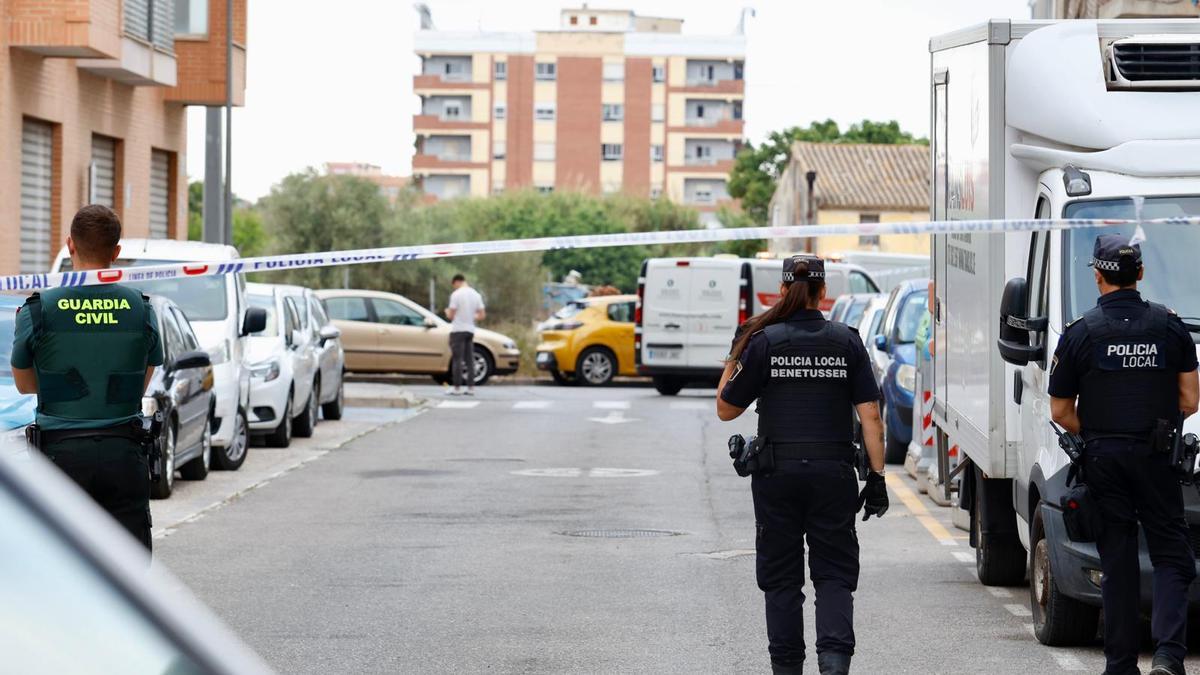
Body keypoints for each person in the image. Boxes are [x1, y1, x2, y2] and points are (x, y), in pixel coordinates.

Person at [717, 254, 888, 675]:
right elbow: (871, 416)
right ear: (823, 292)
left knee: (781, 579)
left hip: (777, 476)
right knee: (834, 576)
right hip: (833, 476)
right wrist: (879, 478)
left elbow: (725, 408)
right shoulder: (846, 341)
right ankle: (833, 667)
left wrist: (738, 349)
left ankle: (787, 669)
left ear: (782, 289)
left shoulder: (764, 341)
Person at [1049, 234, 1199, 675]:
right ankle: (1169, 658)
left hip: (1102, 459)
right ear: (1140, 275)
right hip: (1155, 456)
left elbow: (1060, 410)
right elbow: (1190, 399)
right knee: (1172, 554)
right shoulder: (1169, 327)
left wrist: (1096, 433)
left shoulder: (1080, 333)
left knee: (1117, 560)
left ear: (1097, 276)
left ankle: (1120, 665)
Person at [11, 205, 163, 551]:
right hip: (123, 454)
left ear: (70, 245)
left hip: (60, 458)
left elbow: (24, 384)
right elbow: (141, 379)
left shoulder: (38, 309)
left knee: (62, 567)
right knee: (130, 571)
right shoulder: (141, 308)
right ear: (117, 252)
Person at [445, 273, 486, 396]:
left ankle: (456, 388)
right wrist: (472, 317)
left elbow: (451, 315)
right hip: (470, 329)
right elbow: (482, 315)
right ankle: (471, 387)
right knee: (469, 359)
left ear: (456, 282)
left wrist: (447, 312)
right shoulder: (476, 295)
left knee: (457, 359)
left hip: (458, 330)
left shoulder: (456, 294)